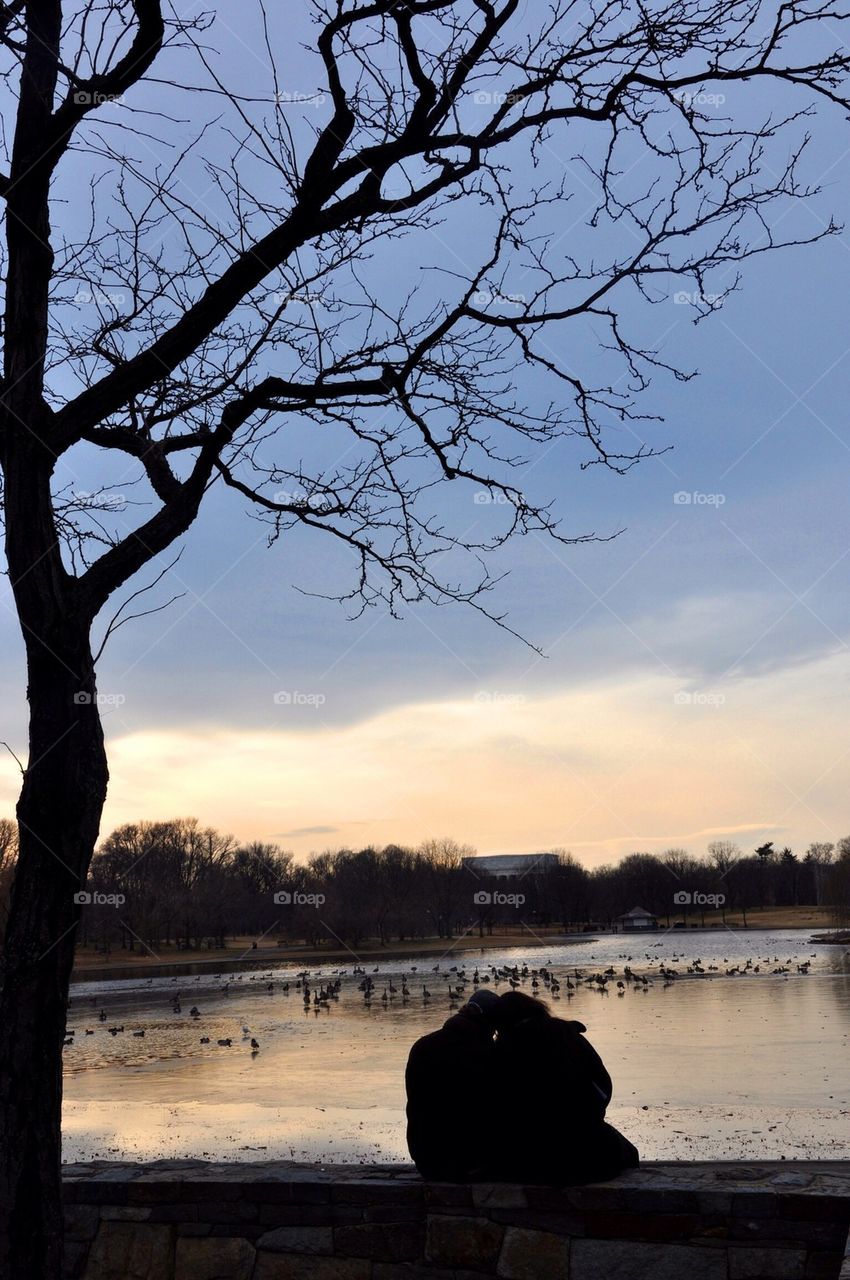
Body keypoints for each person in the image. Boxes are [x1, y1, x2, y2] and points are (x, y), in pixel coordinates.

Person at [493, 991, 639, 1184]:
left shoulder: (502, 1049)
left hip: (529, 1156)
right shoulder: (568, 1034)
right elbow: (602, 1083)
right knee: (627, 1154)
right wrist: (591, 1116)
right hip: (585, 1144)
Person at [405, 987, 501, 1180]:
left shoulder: (423, 1045)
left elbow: (415, 1102)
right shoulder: (486, 1052)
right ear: (490, 1022)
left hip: (427, 1159)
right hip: (470, 1162)